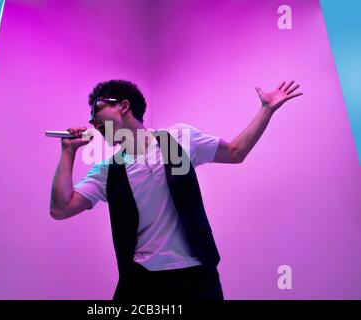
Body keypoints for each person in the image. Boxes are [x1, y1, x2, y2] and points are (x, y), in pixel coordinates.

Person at [50, 79, 302, 300]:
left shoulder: (175, 140)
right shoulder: (109, 169)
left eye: (97, 110)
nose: (93, 122)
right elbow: (61, 208)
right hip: (140, 281)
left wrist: (266, 110)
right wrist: (68, 152)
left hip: (196, 277)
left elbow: (236, 153)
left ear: (123, 106)